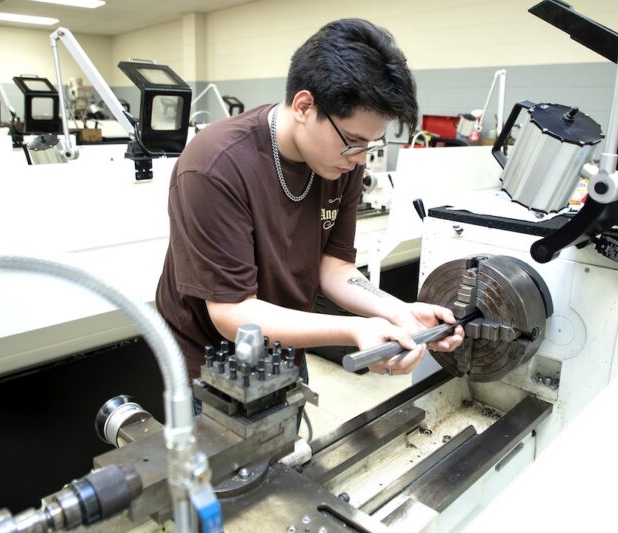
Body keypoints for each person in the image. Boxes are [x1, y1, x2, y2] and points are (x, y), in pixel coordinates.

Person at [155, 18, 464, 384]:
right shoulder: (215, 166)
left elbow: (334, 268)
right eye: (352, 140)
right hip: (210, 359)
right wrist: (353, 331)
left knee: (290, 440)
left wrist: (400, 313)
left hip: (286, 342)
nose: (361, 158)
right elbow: (232, 313)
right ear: (304, 106)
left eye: (371, 144)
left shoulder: (343, 162)